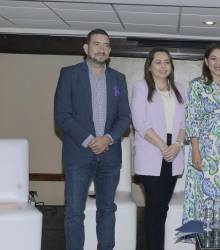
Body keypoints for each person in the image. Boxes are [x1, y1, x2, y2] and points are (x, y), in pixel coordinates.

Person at [54, 29, 131, 250]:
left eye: (106, 45)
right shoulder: (69, 74)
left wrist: (107, 138)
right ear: (86, 48)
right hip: (78, 155)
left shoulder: (118, 78)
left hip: (110, 156)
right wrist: (89, 139)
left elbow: (125, 117)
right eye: (96, 44)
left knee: (107, 209)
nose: (101, 49)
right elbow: (62, 115)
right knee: (74, 211)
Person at [131, 48, 186, 250]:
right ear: (150, 65)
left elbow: (185, 123)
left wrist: (177, 145)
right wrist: (164, 146)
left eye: (167, 62)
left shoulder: (180, 88)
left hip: (174, 152)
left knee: (162, 207)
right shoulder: (141, 87)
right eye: (158, 62)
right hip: (152, 152)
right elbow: (140, 122)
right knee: (154, 207)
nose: (163, 66)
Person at [182, 43, 220, 222]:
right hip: (207, 151)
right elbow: (192, 119)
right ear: (206, 61)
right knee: (205, 199)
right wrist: (196, 151)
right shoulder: (198, 85)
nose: (218, 63)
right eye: (213, 59)